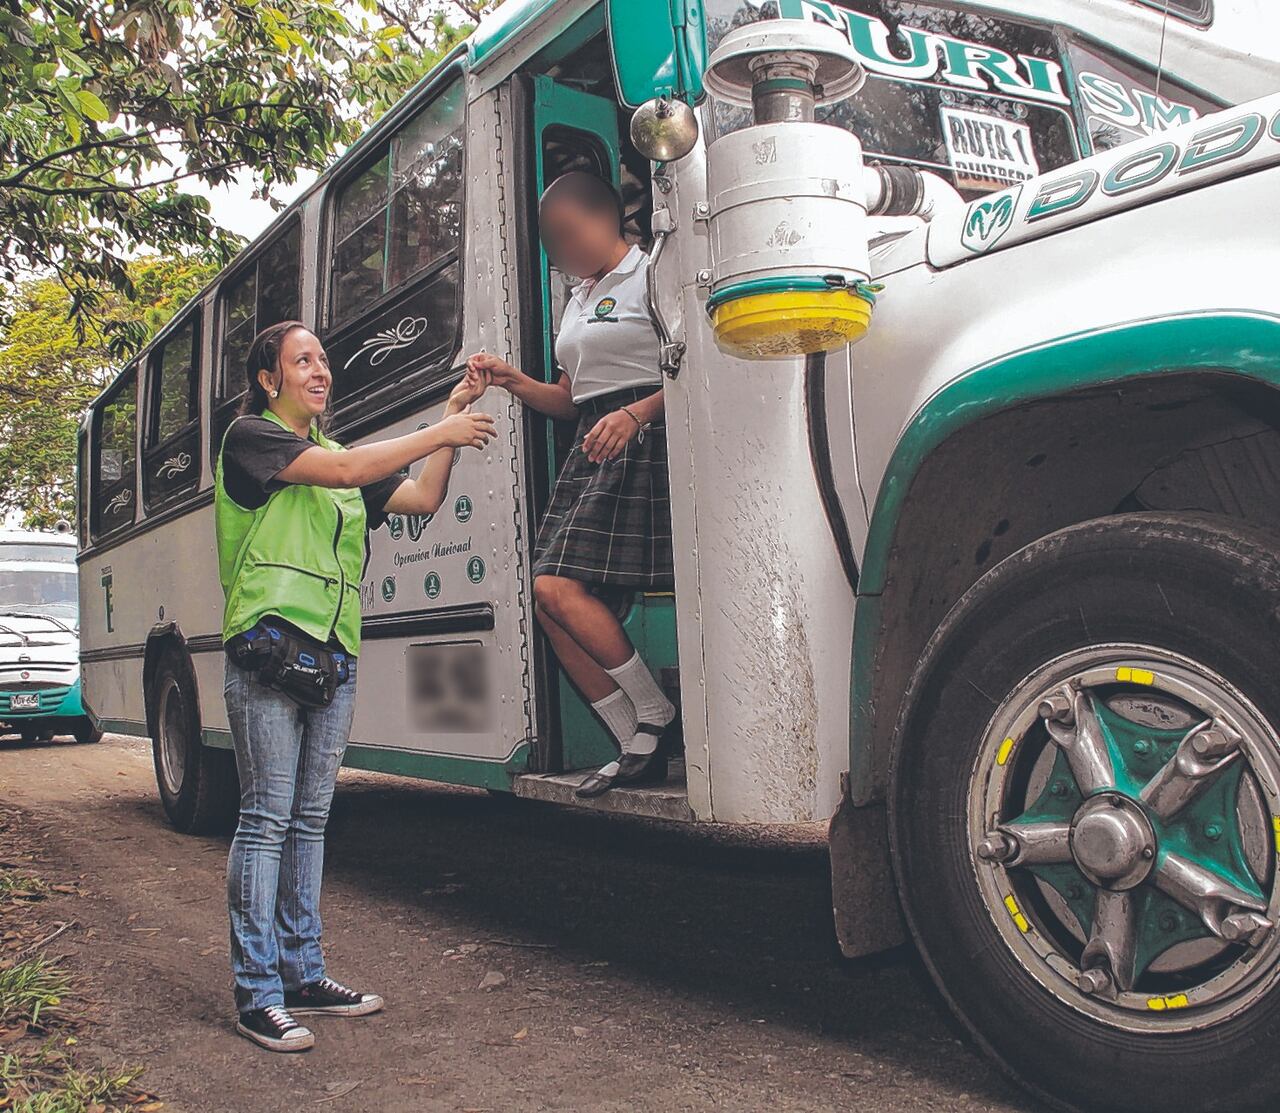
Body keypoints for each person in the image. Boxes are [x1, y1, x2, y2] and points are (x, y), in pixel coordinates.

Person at [215, 319, 495, 1052]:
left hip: (334, 658)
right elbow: (342, 474)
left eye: (324, 360)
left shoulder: (342, 458)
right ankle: (257, 991)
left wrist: (447, 417)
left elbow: (425, 498)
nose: (320, 370)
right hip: (271, 649)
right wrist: (448, 427)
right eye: (302, 360)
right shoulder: (252, 439)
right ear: (269, 379)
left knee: (309, 819)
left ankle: (303, 972)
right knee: (267, 818)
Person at [465, 171, 676, 799]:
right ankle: (634, 736)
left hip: (646, 435)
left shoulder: (655, 273)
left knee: (555, 586)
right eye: (551, 242)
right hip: (593, 440)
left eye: (569, 233)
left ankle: (655, 719)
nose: (562, 250)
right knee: (549, 600)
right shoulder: (577, 296)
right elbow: (567, 398)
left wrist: (638, 414)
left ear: (608, 217)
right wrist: (509, 380)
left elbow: (700, 368)